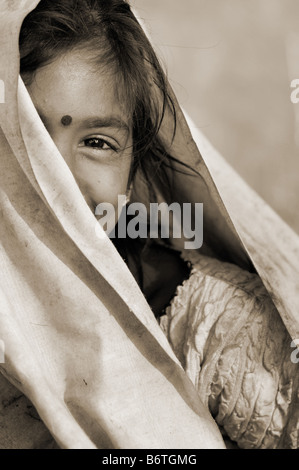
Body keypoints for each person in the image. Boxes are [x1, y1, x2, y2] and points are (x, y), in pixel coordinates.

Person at [0, 0, 297, 449]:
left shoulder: (218, 329)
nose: (58, 177)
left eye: (98, 142)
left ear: (133, 173)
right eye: (29, 138)